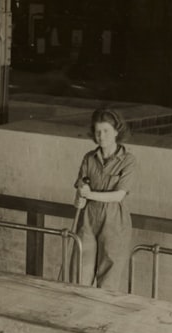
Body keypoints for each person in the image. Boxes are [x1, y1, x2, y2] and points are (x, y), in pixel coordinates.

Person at [72, 107, 136, 292]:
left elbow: (119, 195)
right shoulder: (89, 158)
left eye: (106, 131)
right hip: (88, 219)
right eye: (98, 131)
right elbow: (81, 187)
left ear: (117, 131)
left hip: (115, 222)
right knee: (79, 275)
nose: (101, 136)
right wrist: (79, 199)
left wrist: (89, 195)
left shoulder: (128, 161)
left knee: (108, 282)